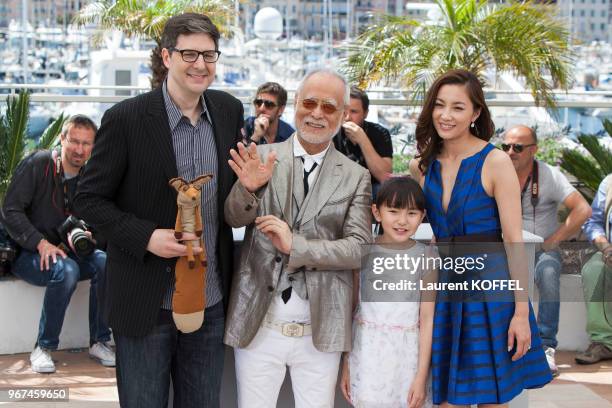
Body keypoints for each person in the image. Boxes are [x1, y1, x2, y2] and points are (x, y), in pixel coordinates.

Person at [73, 13, 243, 407]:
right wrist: (145, 236)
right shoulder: (126, 119)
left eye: (209, 54)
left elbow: (230, 199)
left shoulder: (228, 110)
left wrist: (250, 188)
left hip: (209, 297)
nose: (200, 64)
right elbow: (87, 199)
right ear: (166, 57)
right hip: (145, 303)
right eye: (189, 53)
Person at [223, 68, 372, 408]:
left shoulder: (355, 176)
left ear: (343, 114)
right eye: (309, 103)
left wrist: (296, 247)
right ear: (296, 106)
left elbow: (360, 249)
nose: (317, 113)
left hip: (321, 329)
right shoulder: (261, 157)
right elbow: (233, 217)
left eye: (329, 107)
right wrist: (249, 188)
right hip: (259, 320)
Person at [409, 69, 552, 406]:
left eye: (458, 107)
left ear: (475, 113)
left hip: (491, 292)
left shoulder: (496, 161)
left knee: (491, 399)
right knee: (444, 397)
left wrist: (520, 312)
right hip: (445, 289)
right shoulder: (422, 166)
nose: (446, 115)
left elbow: (513, 239)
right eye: (439, 105)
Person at [1, 114, 114, 373]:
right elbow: (10, 209)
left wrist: (92, 236)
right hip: (29, 254)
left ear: (94, 146)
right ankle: (43, 347)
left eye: (87, 143)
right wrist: (40, 243)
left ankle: (100, 341)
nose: (79, 149)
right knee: (67, 270)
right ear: (62, 139)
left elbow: (104, 217)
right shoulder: (39, 164)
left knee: (104, 262)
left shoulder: (93, 174)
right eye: (74, 141)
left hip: (70, 252)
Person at [502, 125, 591, 375]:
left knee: (550, 272)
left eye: (517, 147)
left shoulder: (549, 175)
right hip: (506, 249)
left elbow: (582, 209)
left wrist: (554, 239)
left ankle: (546, 348)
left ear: (534, 150)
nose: (510, 152)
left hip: (540, 250)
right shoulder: (496, 171)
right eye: (505, 146)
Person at [340, 177, 435, 408]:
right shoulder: (362, 252)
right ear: (377, 212)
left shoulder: (427, 257)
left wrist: (421, 377)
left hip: (408, 358)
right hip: (367, 354)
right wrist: (346, 364)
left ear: (422, 216)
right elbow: (352, 310)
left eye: (412, 213)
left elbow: (427, 318)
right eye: (393, 211)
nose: (402, 221)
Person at [576, 175, 612, 364]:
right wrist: (606, 247)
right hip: (609, 251)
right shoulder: (609, 184)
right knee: (593, 270)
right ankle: (603, 342)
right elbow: (593, 221)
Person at [333, 86, 393, 194]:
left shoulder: (379, 132)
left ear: (365, 113)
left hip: (370, 189)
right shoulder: (331, 132)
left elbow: (384, 176)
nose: (347, 117)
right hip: (339, 189)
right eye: (344, 111)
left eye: (354, 112)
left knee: (382, 190)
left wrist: (362, 139)